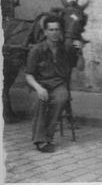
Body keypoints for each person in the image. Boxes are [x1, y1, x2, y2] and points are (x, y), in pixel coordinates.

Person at [24, 15, 82, 153]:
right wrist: (38, 88)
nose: (54, 32)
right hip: (40, 84)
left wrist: (80, 52)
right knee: (41, 100)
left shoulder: (65, 49)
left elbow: (80, 67)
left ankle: (46, 138)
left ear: (61, 31)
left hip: (58, 85)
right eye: (51, 30)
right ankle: (40, 140)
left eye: (57, 29)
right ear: (45, 32)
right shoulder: (37, 50)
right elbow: (28, 74)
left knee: (62, 97)